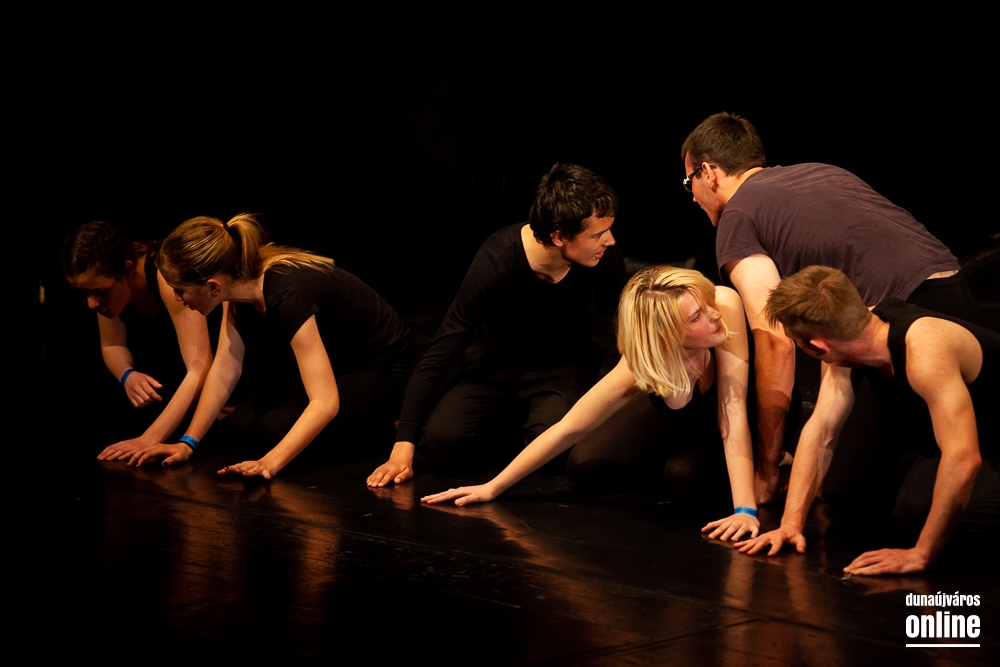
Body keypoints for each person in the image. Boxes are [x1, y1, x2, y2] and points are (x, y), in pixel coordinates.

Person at [680, 112, 976, 503]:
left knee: (842, 485)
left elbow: (775, 341)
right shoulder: (822, 171)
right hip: (957, 297)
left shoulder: (738, 216)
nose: (692, 196)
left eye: (689, 182)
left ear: (709, 172)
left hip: (905, 322)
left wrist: (766, 470)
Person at [422, 266, 761, 542]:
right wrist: (492, 486)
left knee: (683, 475)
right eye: (697, 317)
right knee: (585, 464)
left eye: (705, 303)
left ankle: (755, 464)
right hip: (684, 413)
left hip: (741, 412)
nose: (713, 314)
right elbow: (567, 429)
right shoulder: (641, 362)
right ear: (666, 336)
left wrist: (745, 510)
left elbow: (732, 416)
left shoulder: (724, 308)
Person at [367, 163, 628, 487]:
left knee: (555, 450)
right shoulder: (499, 257)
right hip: (493, 367)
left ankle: (532, 425)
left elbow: (622, 321)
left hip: (562, 366)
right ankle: (516, 424)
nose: (610, 241)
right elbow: (446, 344)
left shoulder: (602, 255)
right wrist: (402, 448)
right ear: (559, 236)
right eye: (598, 234)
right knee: (442, 442)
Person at [736, 266, 998, 575]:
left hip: (987, 443)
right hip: (968, 431)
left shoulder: (926, 352)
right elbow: (821, 430)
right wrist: (790, 525)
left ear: (818, 346)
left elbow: (963, 456)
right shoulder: (853, 331)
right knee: (845, 489)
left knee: (924, 512)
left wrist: (920, 554)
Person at [126, 214, 414, 478]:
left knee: (271, 432)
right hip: (338, 362)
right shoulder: (234, 288)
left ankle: (379, 430)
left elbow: (325, 402)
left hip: (386, 368)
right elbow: (226, 366)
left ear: (213, 286)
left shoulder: (286, 293)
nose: (178, 299)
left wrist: (270, 462)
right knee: (240, 426)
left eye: (180, 290)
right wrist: (188, 443)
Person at [62, 221, 213, 458]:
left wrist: (149, 438)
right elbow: (112, 344)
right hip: (168, 374)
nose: (91, 304)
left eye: (99, 292)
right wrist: (128, 375)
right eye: (83, 294)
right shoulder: (108, 289)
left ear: (128, 270)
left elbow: (200, 366)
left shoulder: (167, 275)